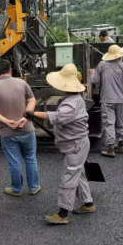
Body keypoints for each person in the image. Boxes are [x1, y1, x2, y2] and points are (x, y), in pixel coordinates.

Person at [25, 64, 95, 225]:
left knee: (69, 176)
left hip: (75, 144)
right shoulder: (72, 98)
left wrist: (34, 113)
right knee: (78, 173)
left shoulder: (71, 102)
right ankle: (88, 203)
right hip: (76, 142)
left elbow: (59, 117)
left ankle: (62, 214)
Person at [0, 60, 41, 197]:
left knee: (14, 162)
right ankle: (34, 187)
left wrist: (6, 121)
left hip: (8, 132)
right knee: (30, 158)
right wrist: (26, 116)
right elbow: (32, 100)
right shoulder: (22, 83)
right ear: (10, 70)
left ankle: (16, 190)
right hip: (27, 129)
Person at [89, 44, 123, 158]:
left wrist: (92, 72)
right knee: (121, 121)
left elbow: (94, 80)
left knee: (109, 122)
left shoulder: (102, 65)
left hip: (107, 98)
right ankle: (121, 143)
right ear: (120, 55)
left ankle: (110, 148)